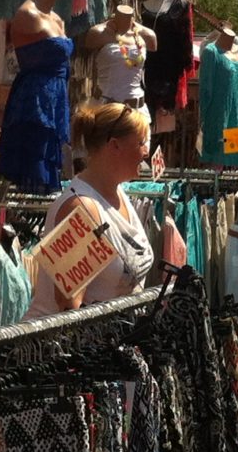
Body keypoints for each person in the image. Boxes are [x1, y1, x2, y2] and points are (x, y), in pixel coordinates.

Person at [24, 102, 155, 317]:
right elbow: (68, 307)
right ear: (115, 145)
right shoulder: (80, 207)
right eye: (141, 142)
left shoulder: (119, 193)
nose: (146, 152)